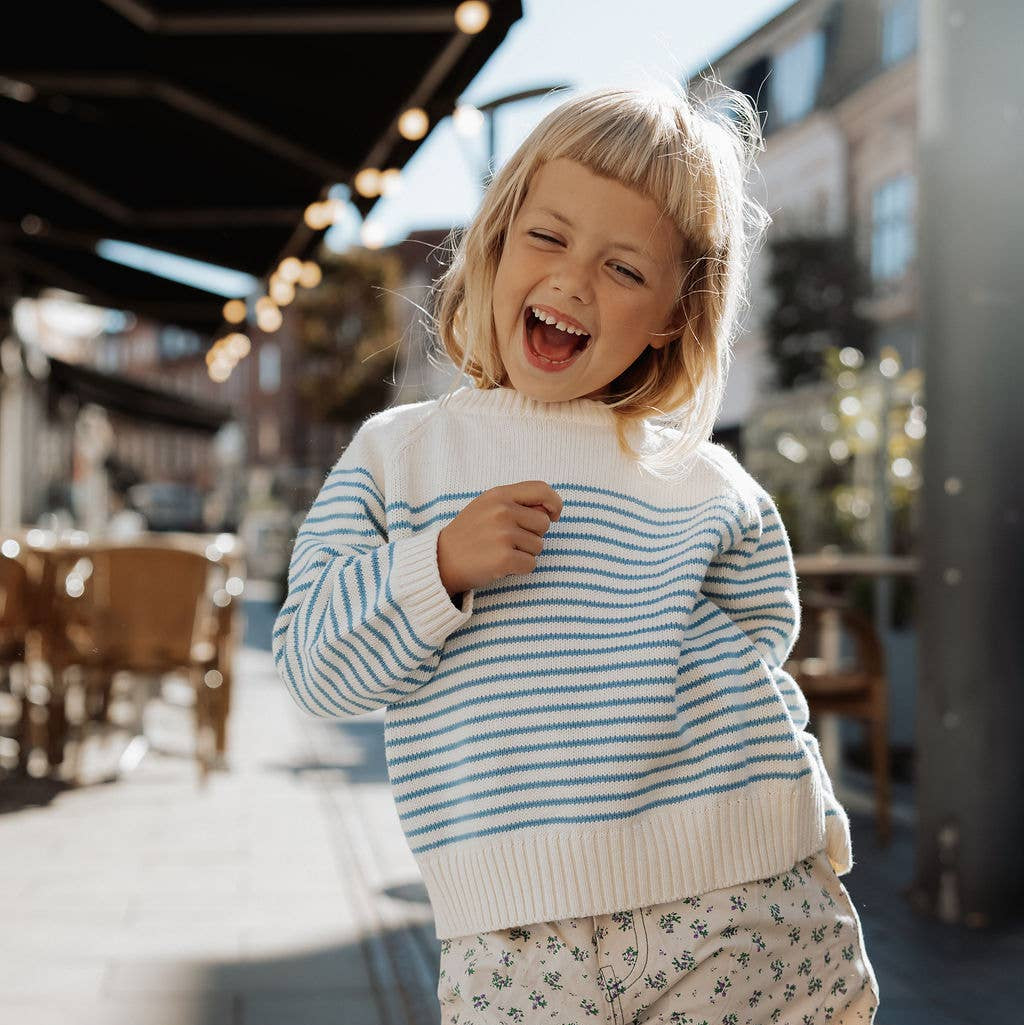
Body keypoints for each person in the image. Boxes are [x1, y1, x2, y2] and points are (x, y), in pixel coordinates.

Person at [272, 82, 879, 1024]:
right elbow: (312, 663)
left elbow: (763, 646)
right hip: (515, 938)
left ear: (676, 316)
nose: (571, 281)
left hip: (743, 903)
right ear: (498, 241)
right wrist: (434, 567)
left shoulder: (704, 479)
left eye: (626, 269)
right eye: (547, 239)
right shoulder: (400, 455)